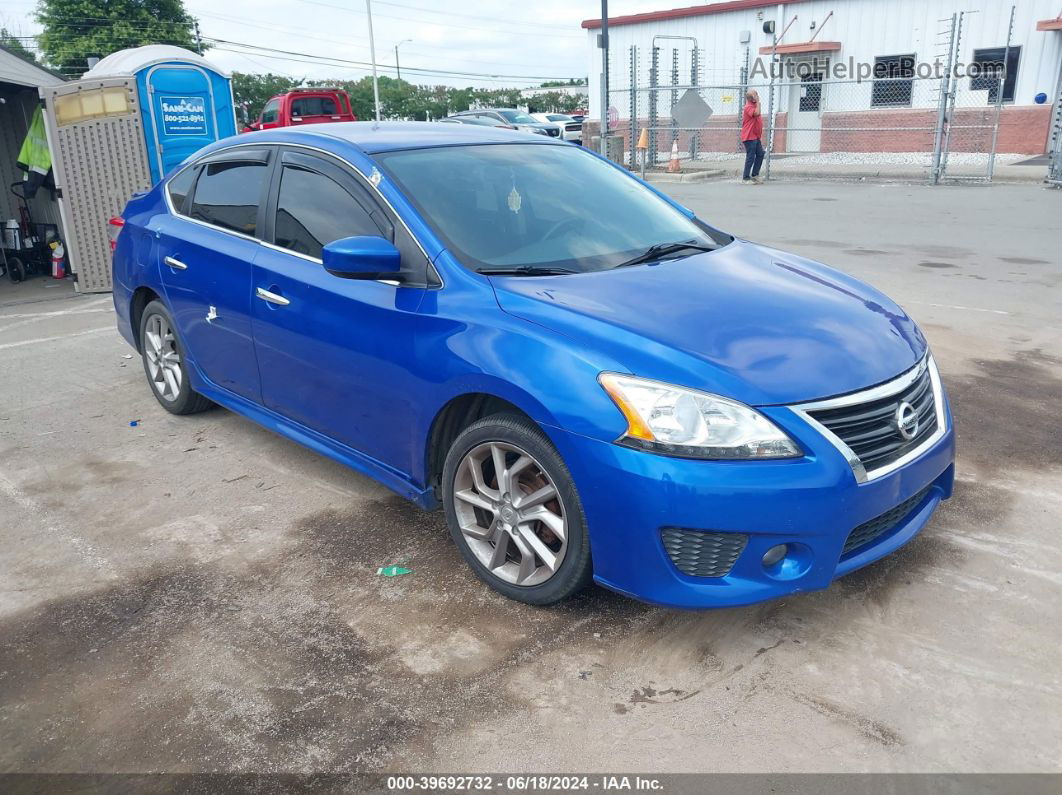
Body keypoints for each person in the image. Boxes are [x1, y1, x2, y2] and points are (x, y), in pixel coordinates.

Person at [741, 90, 765, 184]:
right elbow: (757, 113)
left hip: (755, 136)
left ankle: (755, 175)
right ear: (751, 98)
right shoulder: (748, 107)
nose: (757, 96)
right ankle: (745, 178)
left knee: (760, 154)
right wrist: (758, 102)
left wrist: (758, 103)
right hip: (749, 136)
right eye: (755, 95)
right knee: (750, 157)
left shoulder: (755, 106)